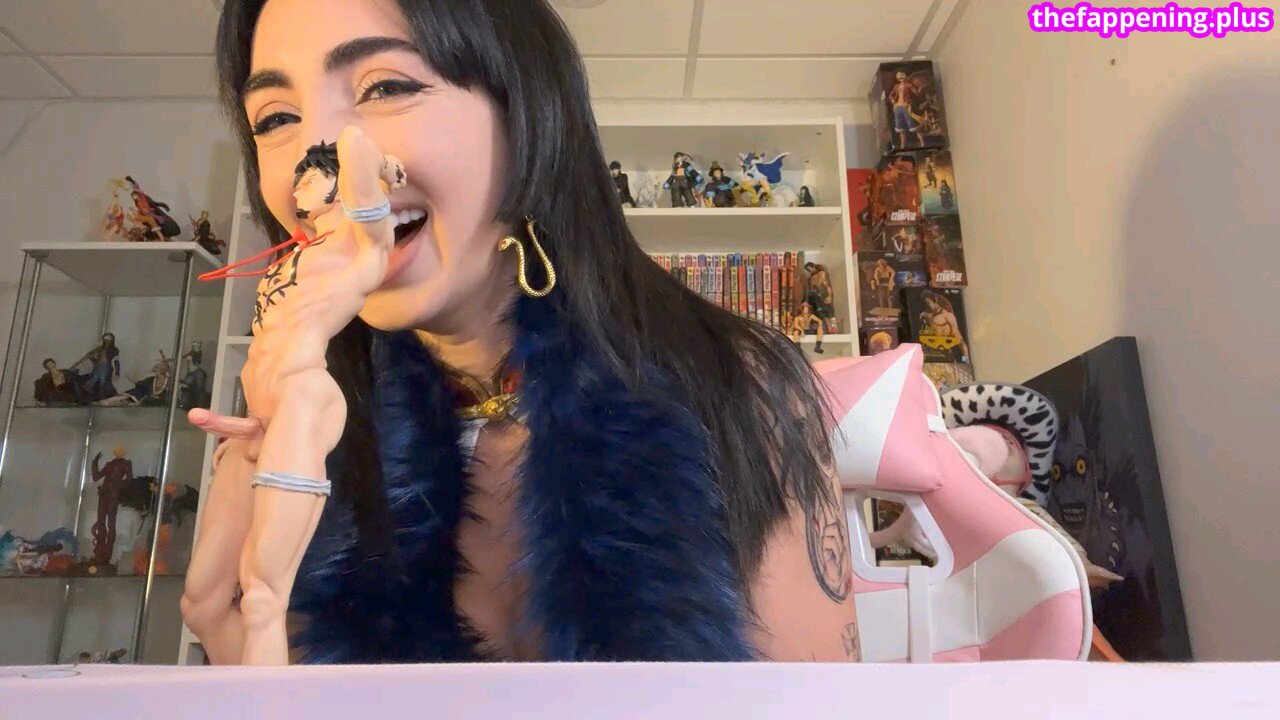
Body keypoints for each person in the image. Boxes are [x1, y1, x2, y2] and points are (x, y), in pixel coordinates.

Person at [182, 0, 855, 666]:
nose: (318, 169)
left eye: (385, 87)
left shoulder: (742, 388)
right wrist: (237, 639)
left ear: (526, 111)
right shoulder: (308, 440)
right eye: (276, 119)